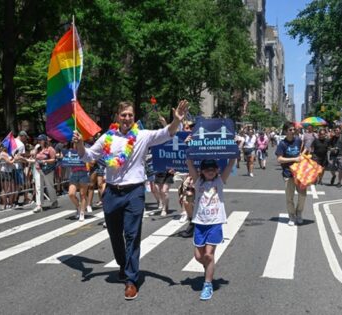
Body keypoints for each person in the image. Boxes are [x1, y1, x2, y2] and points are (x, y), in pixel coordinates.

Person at [73, 99, 188, 300]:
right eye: (124, 115)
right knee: (115, 234)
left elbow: (166, 133)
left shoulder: (142, 136)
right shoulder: (107, 138)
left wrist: (176, 121)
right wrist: (80, 145)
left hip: (134, 192)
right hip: (111, 193)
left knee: (132, 236)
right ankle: (123, 264)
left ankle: (131, 280)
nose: (127, 118)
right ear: (118, 117)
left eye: (130, 115)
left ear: (134, 117)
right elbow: (88, 156)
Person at [185, 158, 235, 300]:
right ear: (201, 171)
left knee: (208, 255)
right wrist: (188, 149)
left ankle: (208, 284)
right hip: (200, 223)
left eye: (213, 169)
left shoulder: (219, 181)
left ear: (217, 170)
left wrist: (234, 153)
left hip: (215, 223)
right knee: (198, 256)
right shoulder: (198, 181)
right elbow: (189, 163)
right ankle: (209, 267)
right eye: (207, 169)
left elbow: (230, 164)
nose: (210, 172)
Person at [275, 122, 306, 226]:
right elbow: (279, 159)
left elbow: (302, 150)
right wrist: (294, 159)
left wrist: (302, 155)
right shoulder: (282, 144)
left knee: (303, 195)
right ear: (285, 131)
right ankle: (292, 216)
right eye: (290, 130)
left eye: (294, 129)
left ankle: (299, 213)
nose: (293, 132)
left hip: (299, 173)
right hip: (288, 173)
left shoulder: (298, 140)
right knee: (289, 197)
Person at [32, 134, 59, 213]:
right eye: (38, 140)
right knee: (38, 187)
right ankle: (39, 205)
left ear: (44, 141)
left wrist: (45, 161)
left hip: (47, 170)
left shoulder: (50, 149)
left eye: (40, 140)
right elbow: (34, 158)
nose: (39, 141)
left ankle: (54, 201)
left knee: (49, 186)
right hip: (38, 169)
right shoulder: (38, 149)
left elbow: (53, 159)